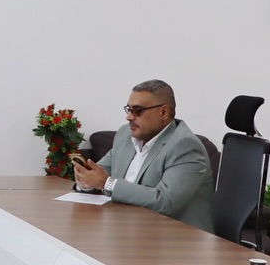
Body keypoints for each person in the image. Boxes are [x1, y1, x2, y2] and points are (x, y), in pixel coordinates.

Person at [72, 79, 214, 232]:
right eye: (129, 109)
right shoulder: (125, 134)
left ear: (164, 112)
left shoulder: (185, 146)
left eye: (137, 110)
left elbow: (165, 202)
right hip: (128, 229)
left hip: (176, 238)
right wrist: (87, 181)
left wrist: (107, 183)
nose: (129, 117)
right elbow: (99, 172)